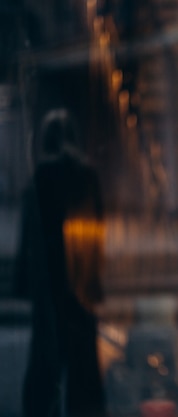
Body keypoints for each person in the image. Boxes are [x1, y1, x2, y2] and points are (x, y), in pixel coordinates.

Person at [14, 109, 107, 417]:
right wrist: (94, 277)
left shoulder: (42, 176)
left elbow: (31, 233)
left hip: (50, 281)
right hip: (79, 280)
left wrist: (22, 280)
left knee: (45, 363)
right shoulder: (87, 175)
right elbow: (97, 230)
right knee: (84, 372)